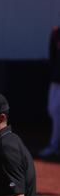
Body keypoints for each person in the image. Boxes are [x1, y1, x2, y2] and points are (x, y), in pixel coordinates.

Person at [39, 24, 60, 158]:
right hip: (56, 79)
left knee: (56, 111)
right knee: (53, 110)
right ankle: (54, 146)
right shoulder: (56, 32)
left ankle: (54, 145)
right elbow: (52, 56)